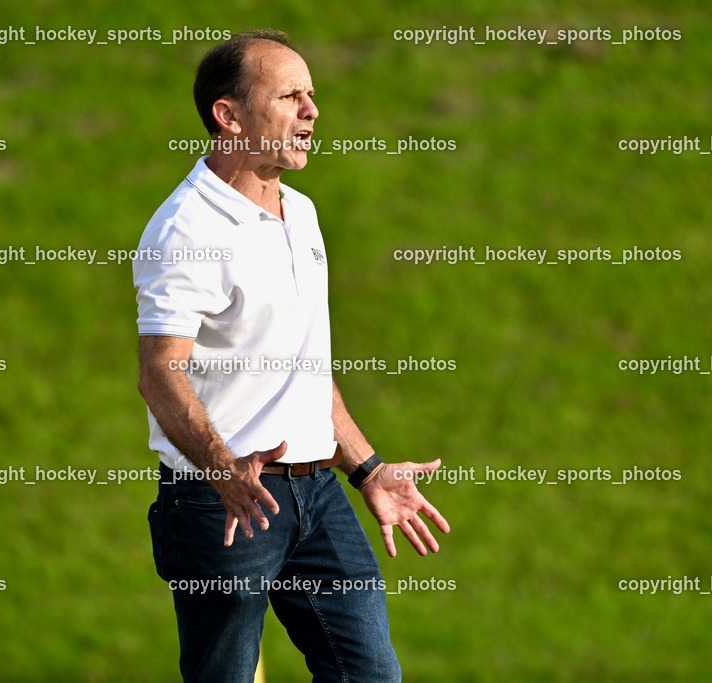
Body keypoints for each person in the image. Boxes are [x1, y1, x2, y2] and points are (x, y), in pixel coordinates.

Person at [133, 29, 450, 682]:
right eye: (290, 96)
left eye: (312, 95)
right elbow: (159, 372)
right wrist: (223, 470)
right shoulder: (185, 229)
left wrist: (369, 471)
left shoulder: (301, 214)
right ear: (229, 115)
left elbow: (307, 371)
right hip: (218, 503)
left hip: (320, 497)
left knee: (371, 675)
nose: (312, 111)